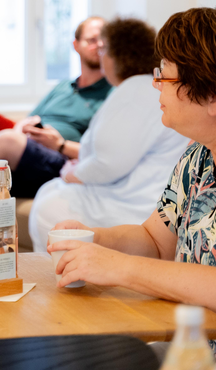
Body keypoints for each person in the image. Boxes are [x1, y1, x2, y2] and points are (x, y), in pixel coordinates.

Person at [48, 8, 216, 367]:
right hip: (202, 350)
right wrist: (94, 239)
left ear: (213, 97)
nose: (155, 84)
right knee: (83, 366)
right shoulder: (202, 151)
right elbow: (154, 241)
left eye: (164, 75)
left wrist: (119, 268)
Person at [29, 18, 189, 251]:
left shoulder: (134, 91)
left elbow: (107, 163)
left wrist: (72, 173)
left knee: (51, 205)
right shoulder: (137, 88)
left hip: (136, 205)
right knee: (50, 194)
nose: (101, 57)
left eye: (103, 49)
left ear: (117, 56)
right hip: (139, 195)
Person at [0, 16, 112, 198]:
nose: (98, 45)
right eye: (91, 40)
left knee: (7, 141)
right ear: (76, 45)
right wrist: (21, 129)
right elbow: (30, 118)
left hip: (62, 160)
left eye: (103, 40)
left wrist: (60, 145)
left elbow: (105, 153)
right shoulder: (63, 86)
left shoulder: (111, 93)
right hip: (29, 155)